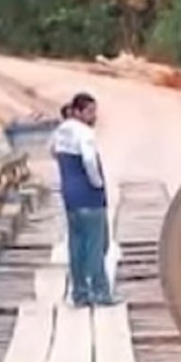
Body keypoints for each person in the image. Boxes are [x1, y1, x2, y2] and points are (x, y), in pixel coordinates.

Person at [51, 92, 119, 307]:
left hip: (70, 196)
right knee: (97, 245)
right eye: (90, 112)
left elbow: (51, 150)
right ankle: (101, 292)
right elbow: (89, 160)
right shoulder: (85, 133)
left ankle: (79, 293)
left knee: (76, 245)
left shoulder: (60, 132)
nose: (94, 116)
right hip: (89, 196)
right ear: (78, 112)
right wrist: (97, 183)